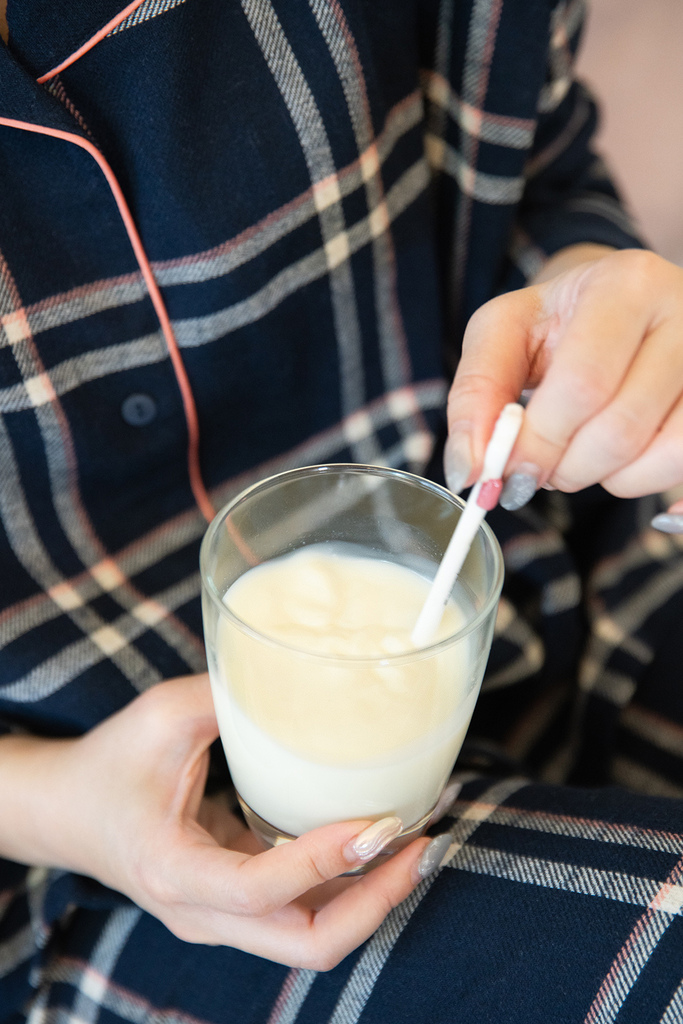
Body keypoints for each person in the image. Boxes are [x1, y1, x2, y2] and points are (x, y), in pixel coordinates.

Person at [1, 1, 683, 1021]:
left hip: (551, 568)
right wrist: (56, 805)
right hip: (90, 862)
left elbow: (533, 172)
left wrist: (591, 304)